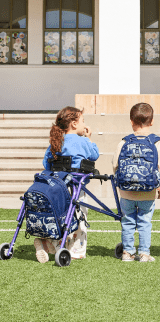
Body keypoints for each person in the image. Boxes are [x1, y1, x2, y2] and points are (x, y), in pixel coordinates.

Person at [34, 106, 99, 263]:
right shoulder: (82, 141)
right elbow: (94, 154)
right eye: (83, 121)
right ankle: (76, 251)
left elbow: (46, 164)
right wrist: (88, 137)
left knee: (60, 218)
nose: (84, 124)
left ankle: (50, 243)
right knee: (79, 219)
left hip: (57, 188)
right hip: (77, 188)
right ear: (74, 124)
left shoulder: (56, 142)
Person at [112, 103, 160, 263]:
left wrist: (121, 180)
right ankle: (144, 253)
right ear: (152, 122)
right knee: (144, 222)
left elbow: (115, 164)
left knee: (128, 221)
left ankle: (127, 253)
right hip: (148, 192)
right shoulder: (157, 143)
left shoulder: (124, 142)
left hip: (126, 192)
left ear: (131, 121)